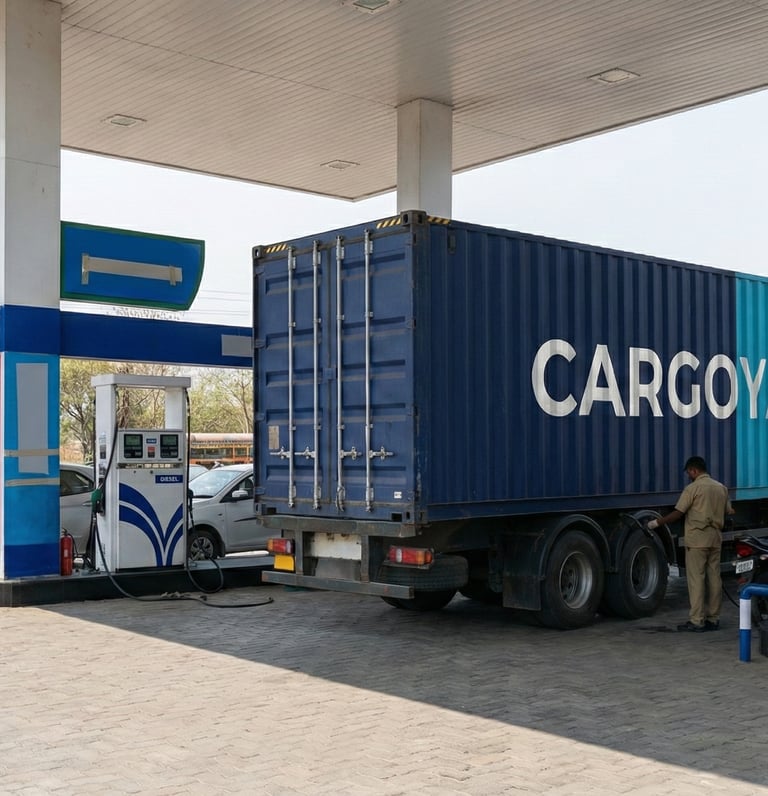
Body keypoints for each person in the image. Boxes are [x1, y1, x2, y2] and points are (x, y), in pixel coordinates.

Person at [647, 456, 734, 633]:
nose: (689, 476)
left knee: (696, 580)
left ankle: (697, 621)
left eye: (689, 472)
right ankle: (713, 619)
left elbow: (678, 513)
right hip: (715, 538)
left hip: (697, 540)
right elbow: (730, 511)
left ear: (694, 470)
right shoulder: (721, 488)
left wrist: (656, 523)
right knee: (714, 579)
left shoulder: (692, 488)